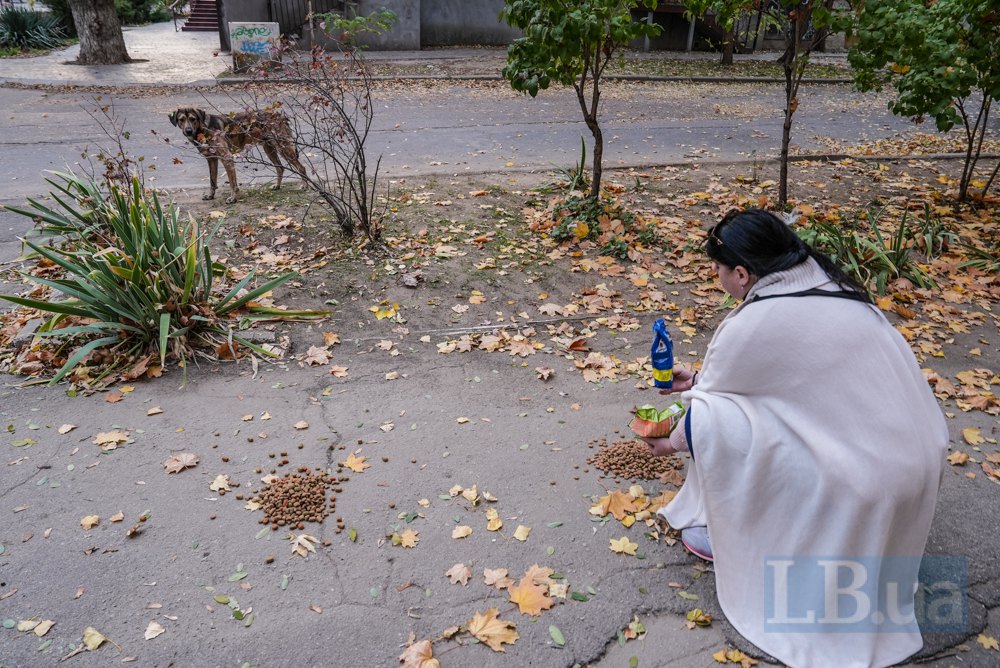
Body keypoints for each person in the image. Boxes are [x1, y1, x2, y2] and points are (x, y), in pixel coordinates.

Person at [642, 208, 948, 668]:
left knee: (707, 417)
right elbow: (781, 383)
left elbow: (722, 403)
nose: (715, 278)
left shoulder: (755, 322)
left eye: (718, 271)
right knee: (714, 406)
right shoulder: (833, 285)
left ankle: (729, 531)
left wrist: (676, 435)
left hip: (863, 480)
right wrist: (701, 380)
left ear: (742, 273)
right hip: (916, 462)